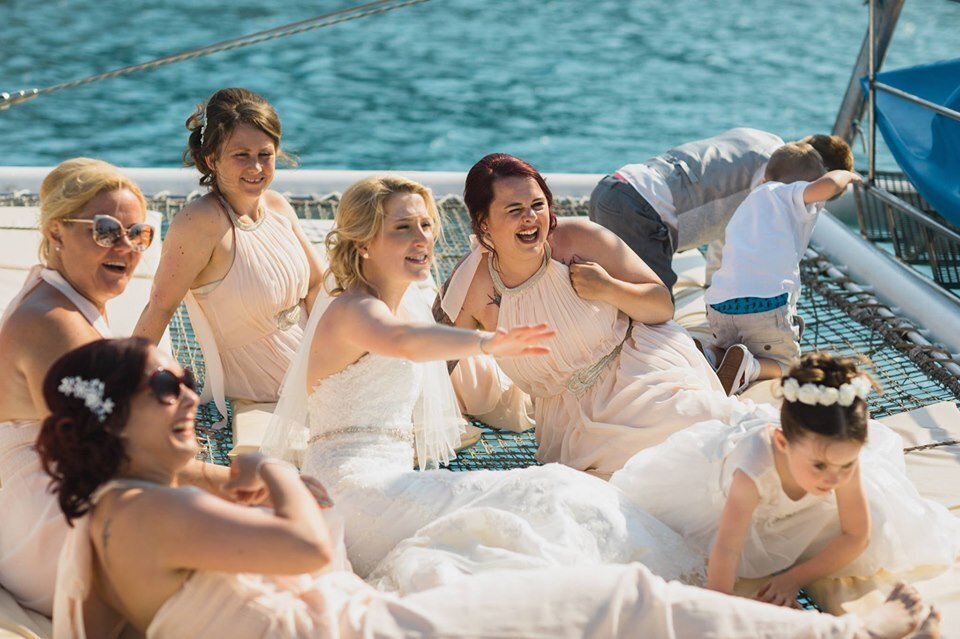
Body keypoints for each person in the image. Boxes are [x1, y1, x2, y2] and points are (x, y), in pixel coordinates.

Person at [41, 341, 940, 638]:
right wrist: (263, 464)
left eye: (185, 377)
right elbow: (313, 545)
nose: (189, 391)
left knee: (615, 597)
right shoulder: (149, 513)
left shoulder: (128, 512)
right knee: (620, 598)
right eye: (166, 384)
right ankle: (847, 634)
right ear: (116, 419)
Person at [265, 175, 703, 588]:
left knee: (553, 495)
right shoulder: (354, 310)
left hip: (392, 484)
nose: (422, 239)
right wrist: (490, 342)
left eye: (425, 225)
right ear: (363, 244)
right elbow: (402, 342)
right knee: (544, 497)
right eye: (403, 228)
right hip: (356, 497)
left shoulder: (407, 302)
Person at [0, 159, 230, 616]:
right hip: (53, 535)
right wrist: (239, 482)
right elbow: (120, 456)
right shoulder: (55, 326)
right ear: (57, 233)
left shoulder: (62, 299)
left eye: (139, 234)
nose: (126, 247)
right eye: (106, 231)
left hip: (51, 512)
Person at [439, 153, 744, 478]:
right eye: (514, 210)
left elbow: (661, 306)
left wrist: (609, 288)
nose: (531, 218)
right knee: (626, 476)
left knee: (695, 430)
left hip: (640, 369)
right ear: (484, 221)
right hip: (569, 422)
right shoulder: (472, 285)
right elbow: (440, 358)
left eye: (538, 205)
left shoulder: (580, 239)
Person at [611, 353, 960, 608]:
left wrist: (793, 579)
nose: (834, 479)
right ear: (782, 443)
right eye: (821, 466)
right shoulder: (752, 470)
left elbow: (857, 534)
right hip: (729, 507)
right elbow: (728, 547)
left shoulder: (839, 464)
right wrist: (718, 609)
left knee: (887, 524)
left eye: (846, 465)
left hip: (799, 503)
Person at [134, 87, 324, 422]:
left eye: (265, 155)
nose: (256, 167)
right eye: (241, 155)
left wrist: (333, 353)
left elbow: (316, 286)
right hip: (263, 386)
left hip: (315, 363)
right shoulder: (200, 223)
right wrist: (124, 385)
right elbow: (160, 307)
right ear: (212, 160)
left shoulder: (277, 206)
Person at [587, 128, 854, 291]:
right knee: (653, 311)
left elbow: (729, 229)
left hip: (612, 190)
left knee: (617, 297)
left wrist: (711, 285)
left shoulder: (757, 138)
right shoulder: (776, 170)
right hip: (642, 211)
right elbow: (752, 236)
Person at [703, 143, 863, 393]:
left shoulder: (751, 199)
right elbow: (828, 186)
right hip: (765, 306)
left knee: (729, 345)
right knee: (788, 364)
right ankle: (750, 368)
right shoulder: (789, 194)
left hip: (718, 306)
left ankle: (711, 356)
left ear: (766, 176)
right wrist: (846, 176)